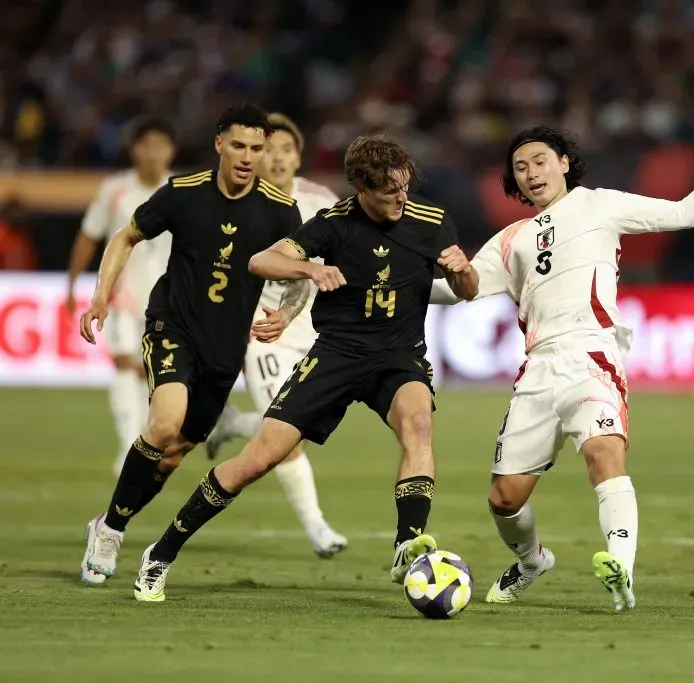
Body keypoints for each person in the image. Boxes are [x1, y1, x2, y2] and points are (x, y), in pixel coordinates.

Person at [429, 113, 694, 611]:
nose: (531, 172)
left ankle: (620, 569)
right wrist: (392, 278)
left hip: (592, 357)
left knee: (604, 455)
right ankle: (532, 560)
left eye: (540, 160)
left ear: (564, 163)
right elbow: (459, 291)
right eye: (520, 167)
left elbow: (684, 213)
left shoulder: (599, 205)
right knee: (504, 499)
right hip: (538, 370)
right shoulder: (510, 238)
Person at [131, 134, 479, 602]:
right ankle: (161, 552)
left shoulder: (432, 220)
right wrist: (311, 270)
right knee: (257, 460)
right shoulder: (333, 224)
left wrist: (462, 271)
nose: (401, 198)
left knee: (418, 423)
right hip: (335, 354)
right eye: (389, 191)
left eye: (405, 186)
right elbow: (260, 260)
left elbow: (469, 290)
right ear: (360, 188)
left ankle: (406, 544)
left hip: (398, 357)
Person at [78, 104, 306, 586]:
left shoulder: (281, 210)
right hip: (171, 326)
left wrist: (285, 313)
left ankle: (107, 518)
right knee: (163, 424)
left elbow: (303, 272)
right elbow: (125, 236)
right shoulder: (184, 193)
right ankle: (112, 534)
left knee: (175, 451)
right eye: (239, 146)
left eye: (257, 148)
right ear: (220, 145)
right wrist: (100, 297)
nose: (248, 157)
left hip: (224, 352)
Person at [203, 112, 348, 558]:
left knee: (296, 431)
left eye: (288, 149)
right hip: (263, 330)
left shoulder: (320, 198)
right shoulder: (238, 205)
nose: (279, 158)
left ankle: (230, 423)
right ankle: (318, 529)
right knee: (285, 434)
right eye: (271, 150)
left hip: (315, 327)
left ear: (298, 157)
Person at [66, 116, 176, 477]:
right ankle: (130, 446)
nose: (154, 152)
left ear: (171, 151)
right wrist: (72, 283)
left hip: (169, 300)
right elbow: (89, 235)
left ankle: (148, 442)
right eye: (148, 144)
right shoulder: (115, 189)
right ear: (134, 150)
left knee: (154, 374)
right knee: (125, 364)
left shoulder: (181, 190)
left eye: (161, 145)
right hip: (123, 300)